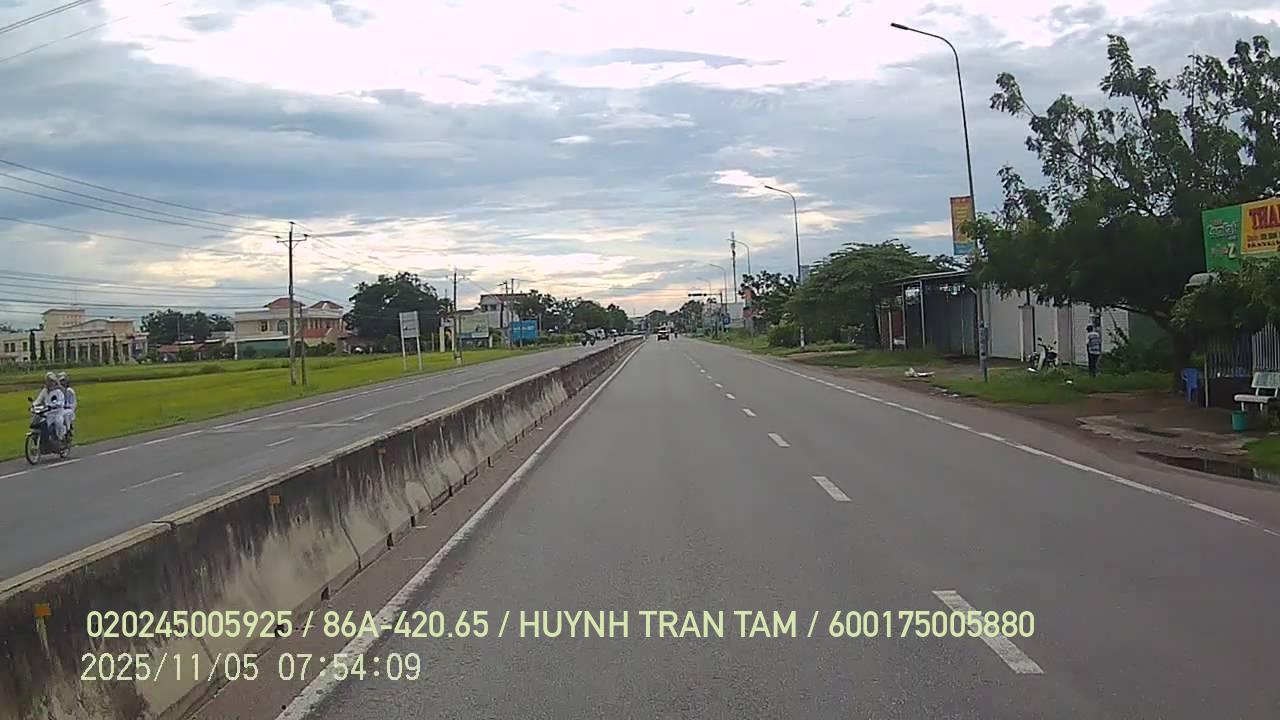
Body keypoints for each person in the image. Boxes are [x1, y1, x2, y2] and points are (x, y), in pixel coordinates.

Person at [33, 372, 65, 440]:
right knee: (41, 423)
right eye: (48, 381)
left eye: (51, 381)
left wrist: (54, 405)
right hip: (48, 413)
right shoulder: (44, 391)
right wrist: (34, 405)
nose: (49, 383)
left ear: (54, 382)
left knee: (58, 422)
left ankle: (60, 438)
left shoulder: (58, 392)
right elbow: (39, 400)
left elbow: (61, 402)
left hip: (57, 413)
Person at [58, 371, 76, 440]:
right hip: (59, 409)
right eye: (60, 381)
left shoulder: (69, 391)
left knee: (65, 415)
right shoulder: (57, 391)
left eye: (63, 381)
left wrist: (67, 406)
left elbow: (73, 403)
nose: (62, 383)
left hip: (68, 410)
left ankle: (67, 431)